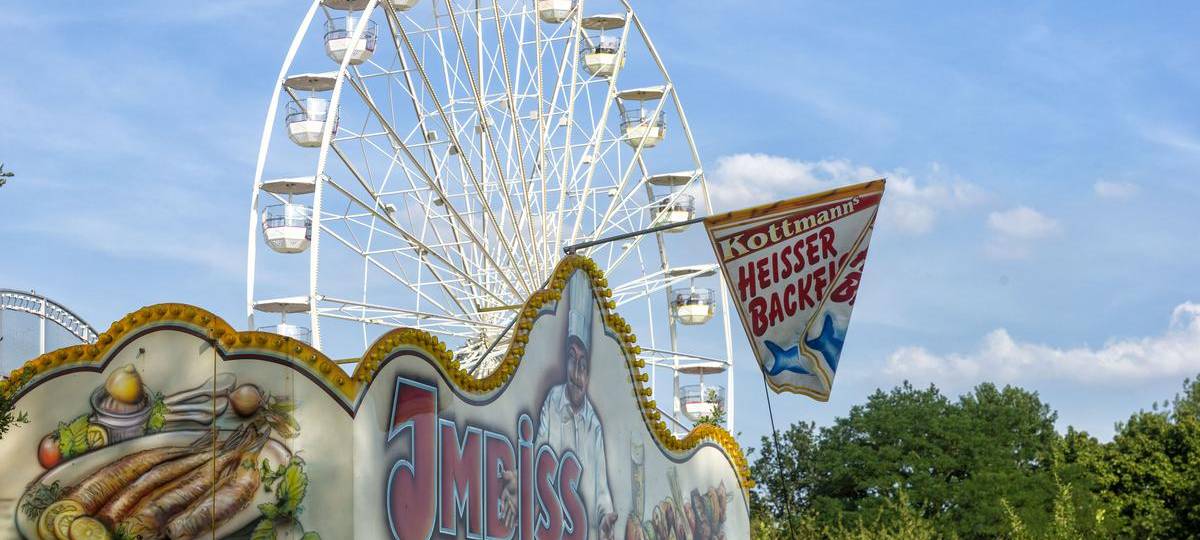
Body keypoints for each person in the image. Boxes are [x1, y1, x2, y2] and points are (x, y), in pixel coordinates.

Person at [500, 272, 618, 539]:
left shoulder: (594, 425)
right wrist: (521, 479)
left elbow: (602, 493)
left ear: (588, 370)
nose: (576, 372)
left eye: (582, 363)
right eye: (571, 358)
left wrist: (606, 519)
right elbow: (539, 452)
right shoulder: (553, 401)